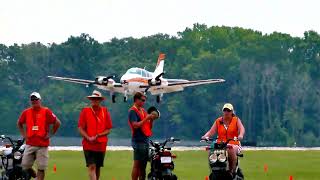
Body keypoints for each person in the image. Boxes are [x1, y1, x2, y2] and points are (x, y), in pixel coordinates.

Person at [17, 92, 61, 180]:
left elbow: (57, 123)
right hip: (30, 143)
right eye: (32, 100)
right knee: (25, 165)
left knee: (41, 167)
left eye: (36, 99)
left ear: (40, 100)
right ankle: (36, 177)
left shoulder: (46, 111)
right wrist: (24, 135)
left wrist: (50, 134)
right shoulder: (26, 112)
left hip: (42, 145)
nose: (34, 101)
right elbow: (19, 123)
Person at [202, 103, 245, 178]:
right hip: (220, 144)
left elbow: (242, 128)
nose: (226, 112)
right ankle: (213, 169)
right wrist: (206, 136)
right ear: (223, 111)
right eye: (225, 110)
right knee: (210, 150)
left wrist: (240, 135)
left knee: (230, 149)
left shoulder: (236, 120)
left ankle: (232, 171)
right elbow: (211, 132)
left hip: (234, 143)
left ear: (232, 112)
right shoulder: (218, 121)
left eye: (228, 110)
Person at [78, 90, 113, 180]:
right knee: (92, 166)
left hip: (101, 144)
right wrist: (88, 137)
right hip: (88, 144)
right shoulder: (85, 111)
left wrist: (98, 135)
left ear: (100, 100)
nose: (95, 101)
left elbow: (108, 129)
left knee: (97, 167)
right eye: (93, 99)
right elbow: (80, 128)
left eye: (97, 99)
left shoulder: (104, 111)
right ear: (91, 100)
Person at [128, 92, 157, 180]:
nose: (144, 102)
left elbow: (148, 127)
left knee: (143, 166)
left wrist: (151, 120)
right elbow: (135, 125)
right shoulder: (132, 111)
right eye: (142, 100)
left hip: (145, 140)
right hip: (138, 140)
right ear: (136, 100)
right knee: (137, 164)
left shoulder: (143, 110)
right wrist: (147, 118)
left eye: (145, 100)